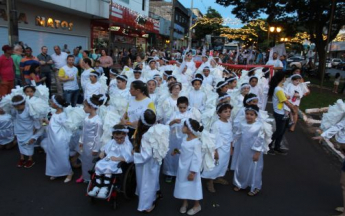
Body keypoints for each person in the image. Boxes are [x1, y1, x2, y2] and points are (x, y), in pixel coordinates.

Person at [88, 124, 133, 198]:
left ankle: (105, 188)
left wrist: (118, 159)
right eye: (116, 138)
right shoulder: (112, 142)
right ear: (113, 136)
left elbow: (131, 158)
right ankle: (97, 186)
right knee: (98, 165)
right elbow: (105, 149)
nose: (119, 140)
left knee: (108, 167)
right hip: (109, 159)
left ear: (125, 135)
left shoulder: (127, 144)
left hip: (119, 162)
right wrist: (102, 152)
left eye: (121, 138)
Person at [232, 105, 265, 196]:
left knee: (255, 168)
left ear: (256, 116)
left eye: (251, 114)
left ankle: (254, 186)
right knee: (242, 166)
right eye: (247, 114)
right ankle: (240, 183)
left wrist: (257, 153)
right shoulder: (242, 123)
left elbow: (261, 140)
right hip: (243, 150)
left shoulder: (259, 126)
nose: (248, 116)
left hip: (254, 151)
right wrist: (232, 143)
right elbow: (237, 135)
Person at [173, 118, 203, 215]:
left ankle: (197, 205)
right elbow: (185, 151)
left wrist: (193, 172)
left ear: (189, 129)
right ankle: (185, 202)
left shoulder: (196, 142)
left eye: (184, 126)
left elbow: (196, 158)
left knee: (193, 186)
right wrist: (177, 151)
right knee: (183, 185)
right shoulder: (184, 139)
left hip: (191, 169)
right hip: (183, 167)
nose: (182, 127)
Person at [202, 103, 233, 193]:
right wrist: (215, 151)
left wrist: (231, 147)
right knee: (215, 164)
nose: (228, 113)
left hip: (226, 148)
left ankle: (218, 177)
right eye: (225, 111)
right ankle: (210, 181)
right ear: (219, 113)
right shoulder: (216, 124)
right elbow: (214, 139)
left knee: (223, 164)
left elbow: (230, 135)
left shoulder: (229, 122)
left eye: (229, 111)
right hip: (219, 149)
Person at [164, 96, 195, 183]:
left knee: (184, 156)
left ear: (187, 106)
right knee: (173, 155)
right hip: (174, 139)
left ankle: (182, 173)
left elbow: (193, 126)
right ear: (177, 106)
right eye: (180, 107)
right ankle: (170, 173)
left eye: (184, 107)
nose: (182, 109)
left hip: (185, 138)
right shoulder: (175, 114)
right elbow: (167, 124)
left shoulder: (190, 114)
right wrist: (173, 121)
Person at [43, 95, 74, 183]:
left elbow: (68, 126)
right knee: (53, 155)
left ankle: (69, 172)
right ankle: (56, 171)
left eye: (52, 102)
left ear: (57, 104)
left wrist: (67, 137)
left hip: (59, 139)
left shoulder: (62, 115)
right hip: (52, 138)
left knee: (62, 156)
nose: (51, 103)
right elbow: (54, 125)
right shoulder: (55, 113)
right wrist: (46, 122)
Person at [77, 94, 104, 183]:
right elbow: (83, 131)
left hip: (92, 145)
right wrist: (81, 140)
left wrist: (96, 148)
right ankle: (84, 175)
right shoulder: (86, 118)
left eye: (85, 106)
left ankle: (91, 177)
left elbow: (98, 136)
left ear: (91, 107)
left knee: (91, 161)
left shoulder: (97, 121)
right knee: (84, 160)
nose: (83, 108)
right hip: (85, 143)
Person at [268, 71, 297, 155]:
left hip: (283, 112)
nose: (285, 79)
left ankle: (277, 147)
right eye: (285, 77)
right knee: (279, 131)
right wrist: (293, 109)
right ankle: (269, 145)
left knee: (282, 131)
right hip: (279, 113)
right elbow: (285, 101)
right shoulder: (278, 89)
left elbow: (286, 97)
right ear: (282, 78)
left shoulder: (280, 88)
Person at [10, 95, 43, 168]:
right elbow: (14, 118)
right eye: (15, 106)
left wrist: (34, 134)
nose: (17, 108)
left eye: (18, 106)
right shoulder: (15, 110)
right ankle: (22, 158)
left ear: (23, 104)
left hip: (28, 131)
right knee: (20, 144)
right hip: (19, 130)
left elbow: (36, 122)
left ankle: (30, 159)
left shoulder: (29, 110)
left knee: (29, 145)